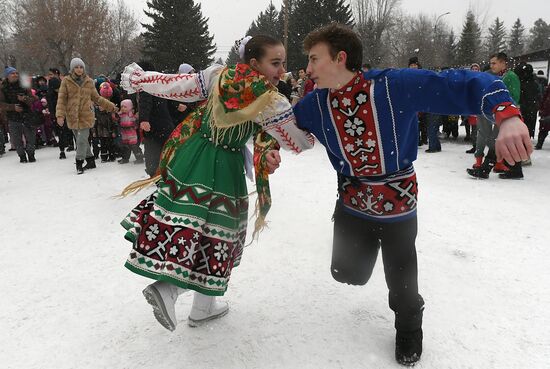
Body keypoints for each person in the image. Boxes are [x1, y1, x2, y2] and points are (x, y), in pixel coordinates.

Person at [267, 23, 531, 366]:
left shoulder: (393, 85)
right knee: (347, 273)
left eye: (315, 59)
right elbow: (288, 129)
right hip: (352, 201)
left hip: (397, 203)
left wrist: (507, 116)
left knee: (401, 277)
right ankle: (367, 249)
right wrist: (268, 149)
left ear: (340, 58)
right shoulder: (316, 103)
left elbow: (462, 82)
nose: (309, 69)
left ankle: (409, 325)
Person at [119, 35, 314, 332]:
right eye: (275, 62)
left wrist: (141, 79)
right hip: (223, 168)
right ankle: (168, 290)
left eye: (283, 63)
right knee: (215, 236)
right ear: (254, 63)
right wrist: (312, 126)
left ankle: (204, 307)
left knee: (198, 230)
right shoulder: (271, 101)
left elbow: (175, 85)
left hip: (193, 155)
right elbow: (298, 142)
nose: (281, 69)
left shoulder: (218, 76)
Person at [56, 57, 116, 174]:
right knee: (81, 140)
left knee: (81, 140)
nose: (79, 69)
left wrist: (111, 106)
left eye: (81, 67)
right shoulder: (66, 81)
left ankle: (79, 162)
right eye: (76, 67)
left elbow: (97, 98)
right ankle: (90, 160)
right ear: (72, 69)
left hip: (86, 115)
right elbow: (61, 99)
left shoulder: (89, 82)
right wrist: (60, 115)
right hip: (72, 116)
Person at [0, 67, 38, 163]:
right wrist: (13, 107)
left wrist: (24, 99)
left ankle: (31, 154)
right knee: (16, 139)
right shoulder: (3, 88)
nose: (15, 75)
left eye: (16, 73)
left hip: (27, 115)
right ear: (7, 76)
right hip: (12, 117)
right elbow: (1, 104)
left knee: (31, 137)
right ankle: (22, 156)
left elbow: (33, 98)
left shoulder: (24, 85)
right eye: (12, 73)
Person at [47, 67, 74, 159]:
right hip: (57, 109)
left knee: (63, 129)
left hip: (60, 109)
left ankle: (65, 147)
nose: (49, 77)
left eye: (51, 74)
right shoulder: (54, 83)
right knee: (63, 129)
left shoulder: (55, 82)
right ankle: (67, 146)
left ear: (56, 74)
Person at [117, 99, 144, 164]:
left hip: (132, 134)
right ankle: (125, 158)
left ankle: (139, 158)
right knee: (125, 146)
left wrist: (134, 123)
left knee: (134, 146)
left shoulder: (131, 114)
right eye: (122, 107)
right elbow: (116, 118)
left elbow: (135, 122)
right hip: (124, 134)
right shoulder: (121, 115)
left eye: (125, 107)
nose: (123, 108)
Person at [535, 83, 550, 149]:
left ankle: (539, 144)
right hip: (547, 109)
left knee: (543, 128)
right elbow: (545, 96)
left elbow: (545, 96)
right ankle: (539, 143)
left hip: (547, 109)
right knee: (543, 128)